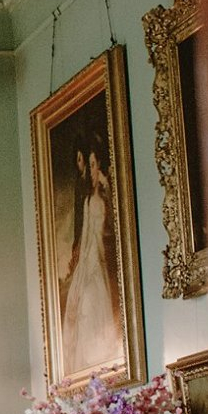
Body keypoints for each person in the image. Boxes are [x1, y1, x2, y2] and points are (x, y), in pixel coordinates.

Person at [59, 148, 120, 375]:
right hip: (92, 257)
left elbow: (114, 226)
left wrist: (108, 187)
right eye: (90, 165)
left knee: (98, 303)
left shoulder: (108, 198)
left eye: (93, 165)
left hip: (104, 256)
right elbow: (85, 237)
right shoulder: (87, 202)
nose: (90, 170)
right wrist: (81, 269)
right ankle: (86, 363)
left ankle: (99, 361)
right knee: (86, 302)